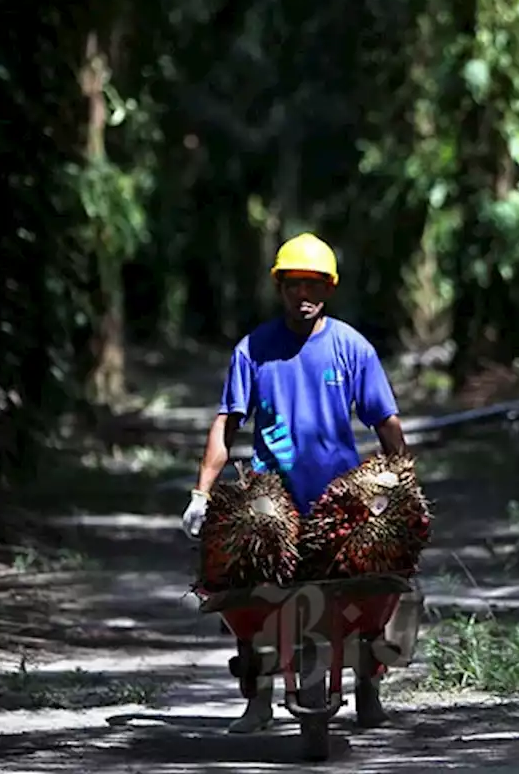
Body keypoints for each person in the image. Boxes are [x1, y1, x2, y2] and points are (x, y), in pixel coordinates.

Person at [181, 232, 409, 734]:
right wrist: (202, 493)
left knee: (374, 586)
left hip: (341, 497)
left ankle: (368, 684)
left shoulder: (352, 348)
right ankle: (258, 698)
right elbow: (227, 423)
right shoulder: (253, 351)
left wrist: (400, 486)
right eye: (292, 285)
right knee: (245, 583)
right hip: (270, 497)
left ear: (328, 288)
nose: (303, 295)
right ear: (279, 288)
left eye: (313, 285)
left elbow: (385, 422)